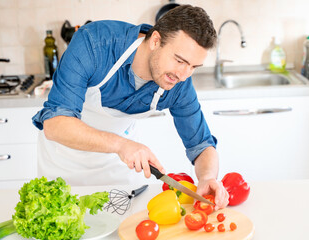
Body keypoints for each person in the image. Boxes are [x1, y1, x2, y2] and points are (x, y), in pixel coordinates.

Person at [33, 4, 229, 210]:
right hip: (64, 162)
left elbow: (201, 144)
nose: (183, 75)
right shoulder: (95, 43)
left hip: (118, 168)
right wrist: (121, 145)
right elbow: (55, 125)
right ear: (155, 40)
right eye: (179, 60)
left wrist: (207, 177)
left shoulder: (179, 83)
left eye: (193, 67)